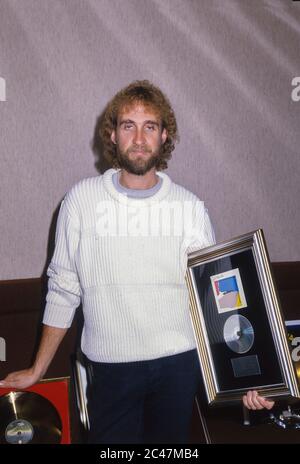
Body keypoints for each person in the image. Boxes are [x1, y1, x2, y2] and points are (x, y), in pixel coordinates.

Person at [0, 80, 274, 443]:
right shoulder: (81, 201)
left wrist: (243, 380)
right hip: (111, 371)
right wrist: (38, 369)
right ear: (112, 135)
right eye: (129, 125)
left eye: (150, 127)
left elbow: (216, 299)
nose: (140, 138)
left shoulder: (189, 208)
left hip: (179, 365)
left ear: (164, 136)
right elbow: (64, 288)